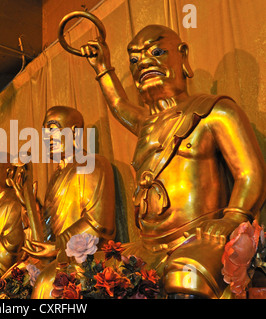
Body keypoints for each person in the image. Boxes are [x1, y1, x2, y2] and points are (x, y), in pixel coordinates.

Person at [79, 24, 266, 298]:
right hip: (148, 246)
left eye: (156, 52)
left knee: (185, 275)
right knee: (92, 277)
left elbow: (249, 173)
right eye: (134, 59)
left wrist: (233, 217)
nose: (144, 63)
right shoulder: (146, 124)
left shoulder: (215, 111)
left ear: (182, 56)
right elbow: (119, 105)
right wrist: (102, 67)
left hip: (199, 236)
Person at [15, 106, 116, 299]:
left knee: (46, 283)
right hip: (60, 257)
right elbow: (49, 234)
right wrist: (28, 202)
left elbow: (98, 224)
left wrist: (58, 247)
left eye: (53, 129)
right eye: (45, 132)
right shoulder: (56, 177)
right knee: (17, 276)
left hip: (86, 257)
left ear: (75, 132)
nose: (47, 138)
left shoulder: (93, 164)